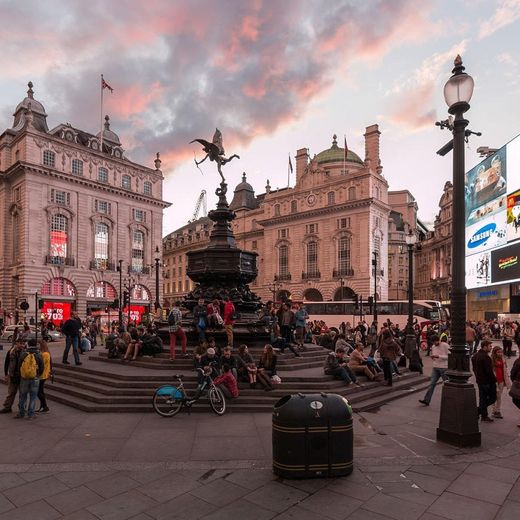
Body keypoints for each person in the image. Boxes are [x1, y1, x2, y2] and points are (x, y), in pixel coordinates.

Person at [15, 339, 44, 419]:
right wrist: (38, 374)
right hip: (35, 378)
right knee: (33, 396)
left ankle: (21, 413)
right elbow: (42, 367)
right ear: (36, 345)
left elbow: (19, 366)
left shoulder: (23, 353)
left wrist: (21, 374)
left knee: (23, 396)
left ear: (28, 344)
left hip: (24, 378)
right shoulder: (38, 354)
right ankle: (31, 414)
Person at [419, 334, 449, 406]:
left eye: (435, 342)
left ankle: (449, 399)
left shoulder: (445, 345)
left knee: (447, 384)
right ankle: (427, 400)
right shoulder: (433, 346)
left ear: (438, 340)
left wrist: (439, 356)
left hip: (444, 367)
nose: (434, 344)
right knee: (431, 384)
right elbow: (434, 354)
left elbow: (449, 356)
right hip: (435, 366)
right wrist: (433, 357)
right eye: (433, 342)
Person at [472, 339, 497, 422]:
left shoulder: (475, 355)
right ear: (485, 347)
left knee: (482, 398)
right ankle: (478, 411)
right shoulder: (486, 357)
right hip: (487, 382)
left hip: (480, 381)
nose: (491, 348)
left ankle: (484, 415)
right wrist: (494, 380)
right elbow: (489, 371)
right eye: (490, 346)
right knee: (492, 398)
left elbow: (474, 369)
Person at [1, 338, 26, 414]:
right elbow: (6, 363)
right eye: (20, 343)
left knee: (22, 393)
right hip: (12, 375)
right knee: (11, 392)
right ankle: (7, 407)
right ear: (16, 343)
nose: (22, 345)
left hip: (22, 376)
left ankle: (21, 408)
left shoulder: (25, 353)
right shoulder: (11, 352)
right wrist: (6, 374)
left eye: (23, 343)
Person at [491, 346, 511, 419]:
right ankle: (494, 410)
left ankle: (497, 411)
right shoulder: (491, 360)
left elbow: (505, 369)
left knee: (499, 396)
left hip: (501, 380)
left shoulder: (503, 359)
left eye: (501, 352)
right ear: (495, 353)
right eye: (498, 352)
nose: (500, 353)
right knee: (494, 396)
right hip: (495, 380)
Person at [37, 340, 52, 413]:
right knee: (40, 391)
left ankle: (45, 406)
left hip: (42, 375)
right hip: (44, 374)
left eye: (39, 345)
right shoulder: (46, 353)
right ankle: (43, 406)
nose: (38, 346)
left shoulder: (44, 354)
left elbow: (41, 365)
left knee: (39, 392)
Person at [510, 357, 520, 428]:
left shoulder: (518, 361)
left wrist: (514, 380)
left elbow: (513, 373)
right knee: (516, 399)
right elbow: (513, 373)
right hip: (518, 382)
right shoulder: (518, 361)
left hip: (518, 383)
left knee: (516, 399)